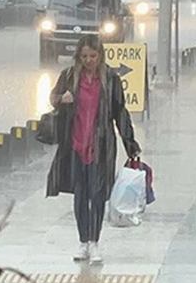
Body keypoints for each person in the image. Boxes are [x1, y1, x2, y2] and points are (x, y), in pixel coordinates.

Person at [46, 34, 141, 265]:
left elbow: (121, 112)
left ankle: (95, 242)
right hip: (75, 145)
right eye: (84, 56)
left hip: (101, 146)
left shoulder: (111, 79)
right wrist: (62, 99)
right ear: (78, 56)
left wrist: (130, 144)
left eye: (93, 56)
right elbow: (52, 97)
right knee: (80, 194)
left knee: (98, 195)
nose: (88, 60)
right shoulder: (69, 77)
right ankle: (83, 242)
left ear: (100, 56)